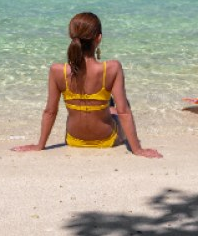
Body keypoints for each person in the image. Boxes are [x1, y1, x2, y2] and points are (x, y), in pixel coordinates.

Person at [12, 12, 162, 158]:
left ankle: (106, 106)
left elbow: (50, 112)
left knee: (94, 105)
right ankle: (108, 106)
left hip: (73, 139)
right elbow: (124, 111)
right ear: (99, 38)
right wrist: (137, 149)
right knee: (118, 105)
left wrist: (39, 146)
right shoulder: (112, 68)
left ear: (72, 36)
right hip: (107, 140)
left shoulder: (57, 71)